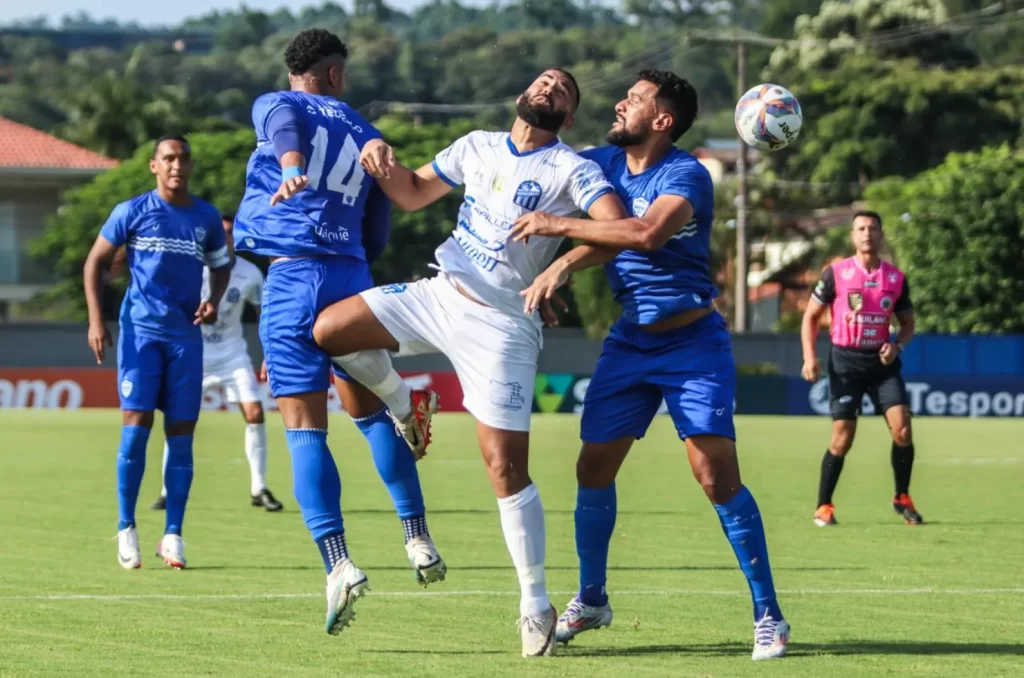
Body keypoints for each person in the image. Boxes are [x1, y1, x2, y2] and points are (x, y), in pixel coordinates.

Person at [311, 68, 627, 657]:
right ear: (523, 93)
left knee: (504, 467)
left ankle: (534, 604)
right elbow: (410, 192)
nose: (549, 88)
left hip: (502, 324)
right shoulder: (476, 145)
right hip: (438, 294)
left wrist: (561, 257)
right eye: (544, 81)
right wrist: (378, 156)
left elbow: (617, 230)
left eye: (562, 90)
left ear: (567, 116)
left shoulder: (571, 168)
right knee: (330, 330)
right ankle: (406, 402)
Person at [511, 70, 790, 661]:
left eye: (634, 100)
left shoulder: (686, 173)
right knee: (592, 469)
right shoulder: (600, 164)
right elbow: (583, 214)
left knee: (715, 477)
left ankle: (768, 614)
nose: (620, 104)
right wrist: (558, 265)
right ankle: (592, 599)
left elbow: (644, 234)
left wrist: (558, 234)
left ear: (662, 120)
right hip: (630, 341)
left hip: (693, 344)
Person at [231, 28, 446, 636]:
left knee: (304, 430)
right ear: (334, 74)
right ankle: (418, 539)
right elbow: (378, 226)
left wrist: (293, 169)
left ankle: (339, 564)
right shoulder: (362, 128)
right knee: (370, 416)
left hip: (294, 278)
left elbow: (285, 131)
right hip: (351, 279)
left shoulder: (279, 101)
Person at [83, 135, 232, 571]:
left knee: (182, 434)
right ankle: (126, 527)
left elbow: (221, 265)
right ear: (154, 165)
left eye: (183, 158)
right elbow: (94, 262)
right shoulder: (131, 211)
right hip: (140, 334)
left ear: (191, 165)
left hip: (185, 338)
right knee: (136, 427)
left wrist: (213, 300)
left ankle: (173, 535)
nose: (176, 165)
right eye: (168, 158)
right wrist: (96, 321)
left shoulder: (206, 216)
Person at [148, 214, 284, 513]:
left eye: (230, 232)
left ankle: (259, 488)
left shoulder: (250, 273)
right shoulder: (191, 268)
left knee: (255, 412)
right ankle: (168, 489)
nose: (225, 237)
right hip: (193, 356)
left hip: (233, 354)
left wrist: (270, 354)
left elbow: (264, 317)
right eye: (220, 232)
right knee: (179, 420)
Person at [800, 211, 921, 527]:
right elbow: (810, 317)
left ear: (881, 235)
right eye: (861, 228)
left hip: (883, 364)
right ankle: (823, 506)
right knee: (843, 436)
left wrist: (897, 346)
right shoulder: (836, 274)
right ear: (853, 236)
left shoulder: (895, 278)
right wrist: (809, 358)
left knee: (903, 429)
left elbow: (908, 324)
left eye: (873, 228)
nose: (867, 233)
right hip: (845, 362)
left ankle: (902, 497)